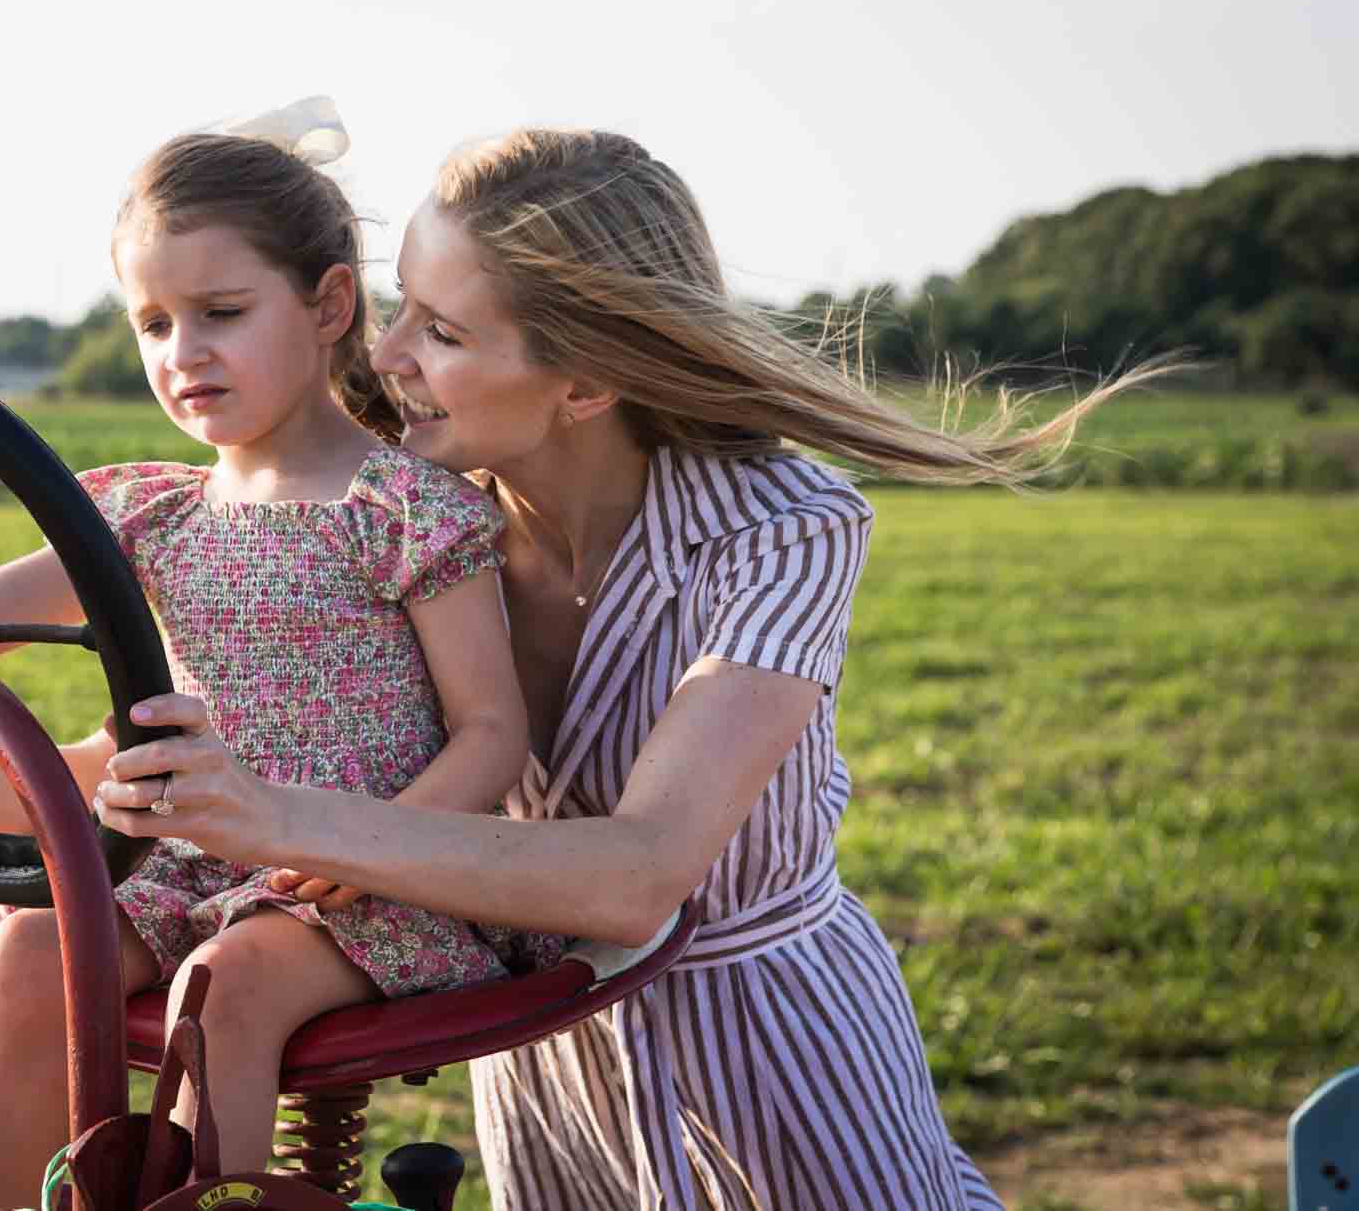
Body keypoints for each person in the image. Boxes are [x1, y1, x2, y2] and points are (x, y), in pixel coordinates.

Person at [86, 128, 1178, 1211]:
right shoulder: (409, 516)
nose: (387, 355)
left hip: (774, 1068)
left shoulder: (779, 530)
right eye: (402, 308)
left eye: (447, 331)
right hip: (545, 1070)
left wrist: (276, 819)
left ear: (586, 382)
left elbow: (635, 875)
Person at [0, 105, 562, 1207]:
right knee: (32, 952)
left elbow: (489, 732)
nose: (182, 354)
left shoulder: (408, 510)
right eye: (151, 323)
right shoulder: (145, 510)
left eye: (219, 313)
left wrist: (368, 845)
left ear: (327, 304)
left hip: (369, 879)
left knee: (217, 991)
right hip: (187, 859)